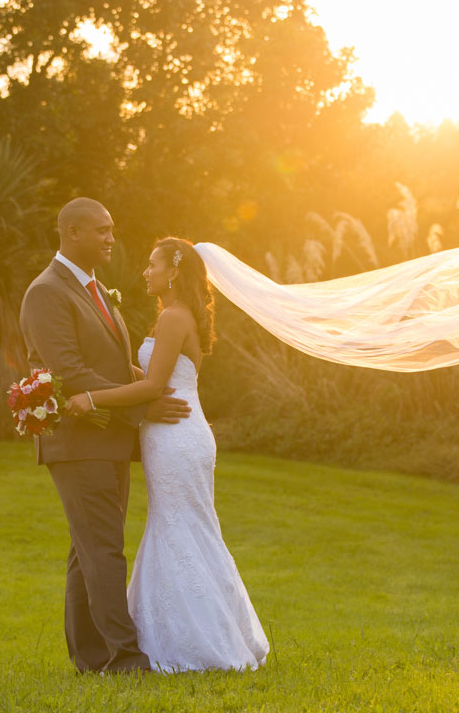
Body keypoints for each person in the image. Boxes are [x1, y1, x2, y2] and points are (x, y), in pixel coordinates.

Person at [65, 237, 270, 673]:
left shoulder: (175, 317)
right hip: (171, 433)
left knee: (181, 527)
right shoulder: (171, 317)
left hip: (178, 435)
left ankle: (199, 643)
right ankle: (187, 634)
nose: (145, 271)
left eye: (152, 264)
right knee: (181, 525)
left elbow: (155, 387)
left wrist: (93, 398)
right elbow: (150, 375)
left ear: (173, 271)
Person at [18, 198, 191, 674]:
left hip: (107, 437)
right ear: (72, 233)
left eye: (112, 229)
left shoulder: (95, 289)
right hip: (79, 440)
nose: (111, 238)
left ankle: (91, 655)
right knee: (103, 548)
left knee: (88, 548)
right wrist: (142, 401)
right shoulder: (47, 292)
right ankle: (126, 658)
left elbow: (109, 364)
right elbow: (68, 372)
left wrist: (151, 381)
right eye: (102, 230)